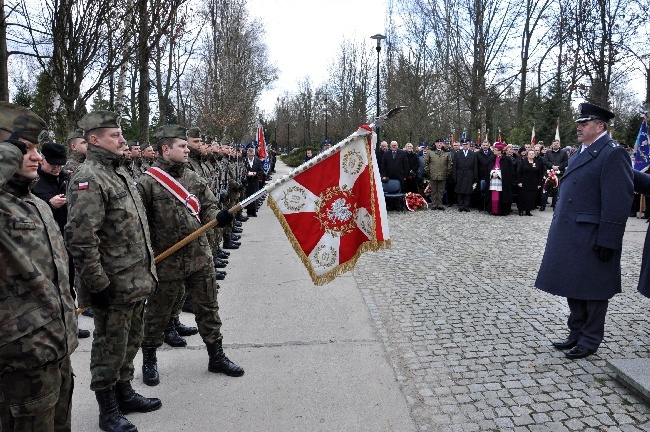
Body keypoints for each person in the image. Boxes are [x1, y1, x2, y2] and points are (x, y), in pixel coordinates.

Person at [65, 110, 161, 432]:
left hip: (135, 281)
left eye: (121, 134)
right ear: (94, 140)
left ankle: (125, 392)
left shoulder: (118, 173)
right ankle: (107, 410)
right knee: (110, 347)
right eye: (115, 135)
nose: (123, 140)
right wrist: (98, 284)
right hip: (114, 284)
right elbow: (81, 240)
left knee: (130, 341)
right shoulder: (88, 177)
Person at [137, 125, 244, 387]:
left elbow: (207, 205)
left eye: (188, 146)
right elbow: (139, 225)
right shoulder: (147, 182)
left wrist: (215, 217)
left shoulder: (193, 177)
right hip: (167, 260)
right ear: (166, 149)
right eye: (182, 146)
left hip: (199, 255)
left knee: (208, 307)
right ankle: (149, 358)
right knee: (157, 313)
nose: (187, 150)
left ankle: (216, 355)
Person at [0, 104, 78, 432]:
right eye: (24, 148)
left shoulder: (34, 202)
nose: (35, 156)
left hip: (55, 348)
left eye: (35, 148)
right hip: (20, 361)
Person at [536, 102, 633, 360]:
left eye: (584, 123)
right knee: (573, 285)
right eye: (578, 123)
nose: (578, 127)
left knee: (594, 290)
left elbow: (618, 201)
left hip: (593, 235)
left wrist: (609, 239)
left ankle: (590, 339)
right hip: (572, 233)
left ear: (600, 126)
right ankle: (575, 332)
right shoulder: (581, 151)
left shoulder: (612, 153)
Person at [32, 141, 91, 339]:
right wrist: (48, 204)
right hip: (43, 243)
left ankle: (70, 323)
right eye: (53, 164)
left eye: (60, 164)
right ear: (42, 160)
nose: (57, 168)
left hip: (67, 240)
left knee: (68, 285)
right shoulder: (33, 181)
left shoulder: (67, 178)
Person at [424, 138, 452, 210]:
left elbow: (449, 164)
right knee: (433, 190)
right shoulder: (430, 152)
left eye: (441, 143)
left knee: (441, 190)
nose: (439, 144)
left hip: (443, 174)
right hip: (433, 174)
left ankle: (440, 203)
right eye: (438, 143)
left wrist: (447, 172)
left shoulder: (447, 153)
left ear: (442, 144)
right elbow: (426, 162)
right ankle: (434, 204)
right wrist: (428, 171)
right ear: (435, 144)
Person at [541, 139, 569, 211]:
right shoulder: (548, 152)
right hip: (548, 173)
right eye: (554, 144)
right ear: (552, 145)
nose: (555, 145)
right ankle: (542, 206)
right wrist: (552, 166)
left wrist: (559, 167)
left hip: (559, 174)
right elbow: (545, 161)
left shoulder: (564, 153)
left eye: (557, 143)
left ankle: (555, 206)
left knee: (556, 191)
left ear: (559, 144)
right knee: (545, 190)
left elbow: (566, 162)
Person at [487, 142, 514, 215]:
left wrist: (499, 174)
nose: (494, 151)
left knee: (503, 196)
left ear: (500, 151)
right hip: (493, 180)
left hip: (503, 181)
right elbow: (488, 169)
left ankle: (502, 211)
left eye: (495, 150)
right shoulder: (491, 159)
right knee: (493, 196)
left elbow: (509, 171)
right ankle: (493, 210)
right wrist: (492, 173)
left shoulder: (507, 159)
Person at [452, 140, 477, 212]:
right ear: (461, 145)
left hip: (469, 174)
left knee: (468, 190)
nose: (465, 145)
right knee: (460, 190)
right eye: (464, 144)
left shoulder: (473, 154)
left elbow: (475, 166)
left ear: (469, 145)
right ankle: (461, 205)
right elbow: (455, 166)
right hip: (460, 174)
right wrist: (454, 175)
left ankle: (466, 206)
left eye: (466, 144)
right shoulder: (457, 154)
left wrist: (475, 176)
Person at [517, 149, 542, 216]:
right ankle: (521, 210)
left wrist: (539, 183)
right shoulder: (523, 162)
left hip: (533, 183)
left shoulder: (537, 163)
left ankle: (528, 210)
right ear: (527, 155)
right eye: (530, 153)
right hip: (524, 182)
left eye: (532, 153)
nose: (531, 154)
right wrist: (519, 182)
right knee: (523, 196)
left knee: (531, 197)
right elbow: (519, 172)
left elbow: (539, 174)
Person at [244, 146, 263, 217]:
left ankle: (254, 211)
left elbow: (261, 171)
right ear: (247, 154)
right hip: (248, 181)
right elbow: (242, 170)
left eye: (252, 155)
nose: (251, 157)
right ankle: (249, 211)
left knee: (255, 196)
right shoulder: (244, 161)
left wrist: (256, 174)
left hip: (255, 181)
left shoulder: (257, 160)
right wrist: (246, 174)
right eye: (250, 155)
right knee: (248, 196)